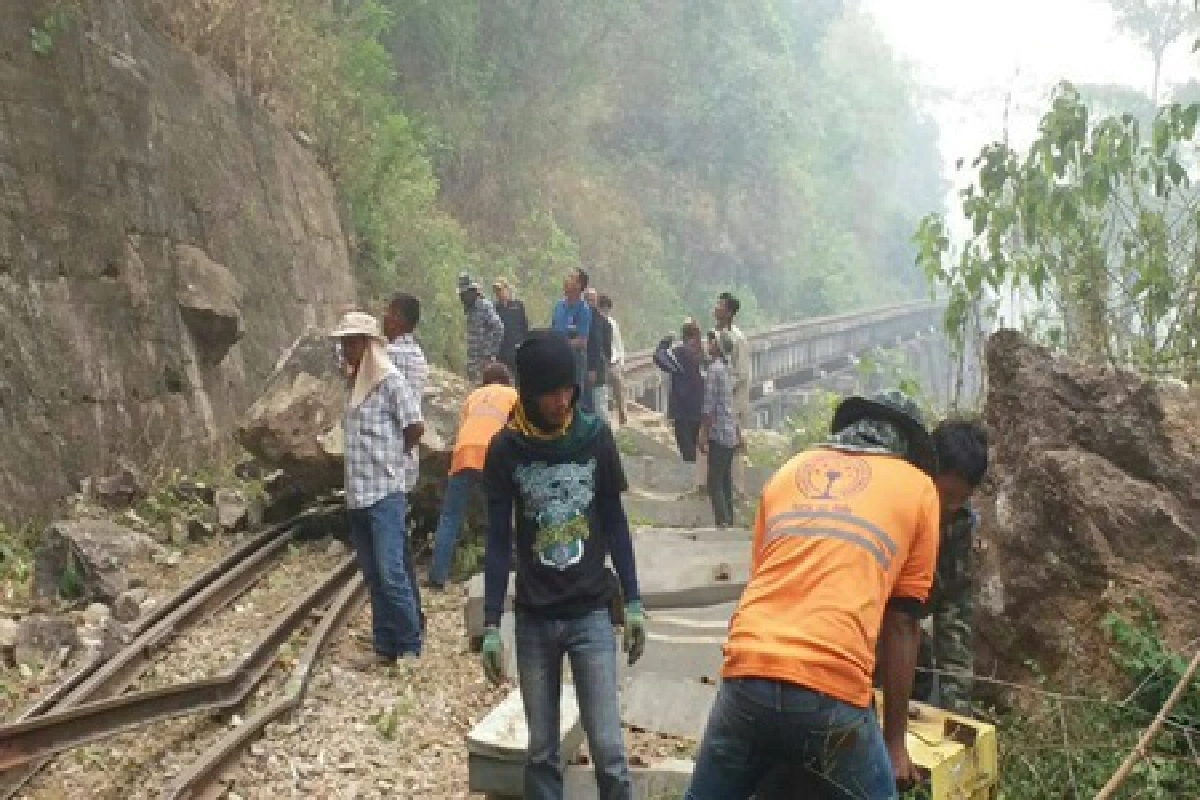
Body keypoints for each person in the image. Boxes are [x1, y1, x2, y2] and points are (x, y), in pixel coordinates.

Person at [685, 390, 940, 800]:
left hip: (747, 671)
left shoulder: (790, 470)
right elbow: (903, 622)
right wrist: (895, 744)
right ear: (906, 446)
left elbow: (765, 577)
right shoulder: (918, 487)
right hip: (831, 687)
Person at [479, 330, 646, 800]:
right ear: (530, 393)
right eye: (551, 391)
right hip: (534, 617)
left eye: (567, 389)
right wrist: (491, 623)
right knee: (541, 753)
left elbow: (615, 523)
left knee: (610, 751)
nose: (561, 400)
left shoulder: (594, 438)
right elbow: (497, 542)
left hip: (591, 611)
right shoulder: (507, 448)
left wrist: (632, 601)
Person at [329, 311, 425, 666]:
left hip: (385, 489)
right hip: (357, 491)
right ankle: (385, 645)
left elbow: (414, 425)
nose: (346, 349)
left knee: (391, 570)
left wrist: (394, 458)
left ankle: (410, 645)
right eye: (344, 342)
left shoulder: (390, 381)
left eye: (353, 342)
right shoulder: (351, 384)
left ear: (368, 345)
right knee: (372, 573)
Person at [426, 362, 519, 589]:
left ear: (484, 383)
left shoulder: (473, 397)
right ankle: (504, 567)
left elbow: (464, 428)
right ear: (507, 381)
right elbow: (517, 432)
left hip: (463, 454)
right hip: (493, 454)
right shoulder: (512, 395)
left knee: (450, 517)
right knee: (499, 513)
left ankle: (437, 577)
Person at [919, 419, 988, 713]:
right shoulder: (895, 512)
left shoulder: (958, 525)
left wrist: (957, 714)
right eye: (947, 494)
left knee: (918, 664)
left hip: (904, 634)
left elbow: (954, 615)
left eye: (964, 498)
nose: (952, 506)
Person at [382, 292, 429, 623]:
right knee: (397, 543)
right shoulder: (415, 354)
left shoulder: (392, 355)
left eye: (387, 312)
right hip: (404, 460)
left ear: (398, 318)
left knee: (393, 552)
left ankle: (409, 623)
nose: (383, 317)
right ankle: (414, 614)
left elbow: (351, 368)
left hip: (393, 461)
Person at [699, 331, 739, 528]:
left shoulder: (714, 370)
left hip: (719, 433)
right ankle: (729, 520)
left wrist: (702, 435)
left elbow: (709, 408)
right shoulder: (727, 369)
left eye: (712, 340)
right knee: (725, 480)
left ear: (718, 347)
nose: (709, 343)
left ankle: (722, 521)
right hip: (730, 433)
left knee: (714, 481)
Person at [714, 292, 752, 493]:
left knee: (735, 447)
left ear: (729, 313)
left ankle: (738, 489)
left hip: (733, 402)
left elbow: (742, 374)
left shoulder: (738, 339)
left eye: (720, 305)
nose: (716, 308)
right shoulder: (717, 335)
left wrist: (724, 388)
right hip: (718, 402)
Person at [652, 320, 705, 462]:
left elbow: (659, 357)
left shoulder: (680, 353)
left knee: (687, 451)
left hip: (683, 411)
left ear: (683, 335)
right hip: (701, 410)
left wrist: (665, 342)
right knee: (700, 450)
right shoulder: (704, 354)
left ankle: (692, 478)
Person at [550, 267, 592, 397]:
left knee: (573, 398)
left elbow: (582, 341)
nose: (566, 280)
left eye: (571, 277)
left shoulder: (583, 310)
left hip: (574, 362)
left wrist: (562, 344)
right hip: (557, 359)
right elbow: (553, 329)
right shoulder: (558, 305)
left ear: (579, 286)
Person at [458, 273, 504, 384]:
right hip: (472, 359)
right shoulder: (469, 308)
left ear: (473, 291)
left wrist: (491, 353)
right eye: (462, 294)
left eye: (465, 293)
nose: (463, 297)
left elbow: (499, 328)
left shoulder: (484, 305)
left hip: (484, 359)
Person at [598, 294, 628, 426]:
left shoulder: (612, 323)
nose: (606, 311)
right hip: (600, 361)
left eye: (607, 309)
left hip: (613, 361)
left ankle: (622, 413)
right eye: (603, 308)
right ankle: (605, 420)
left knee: (618, 386)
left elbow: (618, 342)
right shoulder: (595, 322)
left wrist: (621, 361)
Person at [584, 287, 612, 419]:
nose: (590, 303)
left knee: (599, 403)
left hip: (597, 369)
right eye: (587, 300)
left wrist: (595, 368)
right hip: (584, 367)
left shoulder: (602, 322)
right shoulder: (582, 319)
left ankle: (604, 434)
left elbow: (604, 348)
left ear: (596, 301)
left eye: (592, 300)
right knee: (587, 404)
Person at [494, 277, 529, 376]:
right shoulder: (494, 308)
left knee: (519, 378)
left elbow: (524, 326)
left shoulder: (518, 305)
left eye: (500, 289)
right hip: (501, 351)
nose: (498, 293)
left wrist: (524, 344)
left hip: (516, 349)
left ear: (507, 289)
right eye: (496, 290)